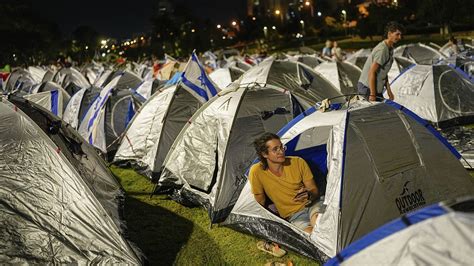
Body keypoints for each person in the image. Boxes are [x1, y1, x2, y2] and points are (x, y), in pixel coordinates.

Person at [249, 133, 322, 234]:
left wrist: (309, 194)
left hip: (313, 205)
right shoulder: (257, 171)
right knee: (313, 236)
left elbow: (314, 190)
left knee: (319, 224)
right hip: (294, 215)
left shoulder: (298, 162)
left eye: (282, 147)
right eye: (275, 149)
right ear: (264, 154)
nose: (281, 151)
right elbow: (260, 202)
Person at [357, 21, 404, 102]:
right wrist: (372, 94)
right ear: (389, 34)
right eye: (397, 34)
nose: (400, 37)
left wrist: (389, 91)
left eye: (401, 35)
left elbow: (383, 73)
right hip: (367, 88)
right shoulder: (383, 50)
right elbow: (372, 72)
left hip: (374, 89)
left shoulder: (390, 49)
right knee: (373, 113)